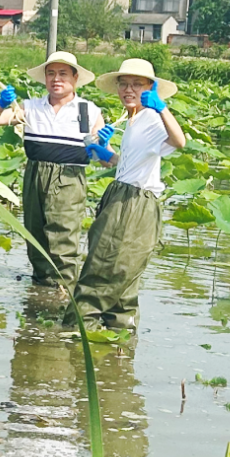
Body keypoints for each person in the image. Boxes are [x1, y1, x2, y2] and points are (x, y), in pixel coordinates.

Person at [71, 59, 186, 330]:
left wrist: (163, 108)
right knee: (124, 275)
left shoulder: (153, 118)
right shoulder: (133, 120)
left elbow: (179, 142)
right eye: (124, 84)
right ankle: (119, 341)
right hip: (121, 193)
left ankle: (78, 329)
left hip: (135, 203)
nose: (128, 90)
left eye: (137, 84)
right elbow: (132, 163)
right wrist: (107, 153)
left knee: (104, 267)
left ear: (151, 88)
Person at [0, 51, 105, 288]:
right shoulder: (30, 107)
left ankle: (65, 291)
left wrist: (102, 145)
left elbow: (102, 154)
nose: (56, 79)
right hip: (35, 174)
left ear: (75, 78)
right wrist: (1, 103)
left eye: (62, 74)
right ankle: (41, 288)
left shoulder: (88, 111)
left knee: (63, 237)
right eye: (51, 74)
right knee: (35, 236)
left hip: (69, 177)